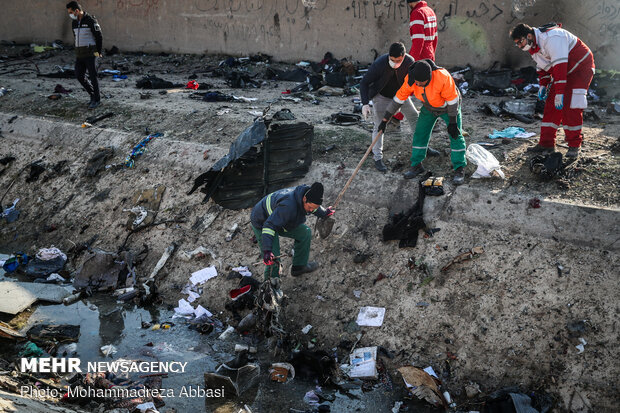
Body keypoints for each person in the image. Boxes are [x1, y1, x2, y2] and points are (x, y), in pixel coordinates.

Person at [510, 23, 595, 158]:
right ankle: (546, 143)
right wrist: (543, 85)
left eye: (520, 42)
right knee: (551, 105)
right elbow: (543, 66)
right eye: (517, 44)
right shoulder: (534, 46)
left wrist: (560, 92)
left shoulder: (553, 38)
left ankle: (574, 145)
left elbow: (560, 66)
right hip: (565, 71)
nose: (520, 46)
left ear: (529, 35)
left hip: (580, 68)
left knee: (571, 106)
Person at [379, 59, 466, 184]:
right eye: (417, 82)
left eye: (422, 83)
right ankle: (417, 165)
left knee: (455, 135)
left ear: (430, 78)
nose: (418, 85)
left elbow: (453, 100)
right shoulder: (411, 79)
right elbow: (399, 98)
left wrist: (452, 122)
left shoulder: (442, 77)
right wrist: (385, 119)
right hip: (429, 108)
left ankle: (459, 168)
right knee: (420, 133)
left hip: (449, 108)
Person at [360, 43, 440, 172]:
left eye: (398, 60)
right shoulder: (380, 64)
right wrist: (365, 103)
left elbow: (416, 83)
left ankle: (423, 147)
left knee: (414, 117)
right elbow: (364, 82)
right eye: (392, 60)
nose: (394, 63)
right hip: (382, 96)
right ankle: (377, 158)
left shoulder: (409, 62)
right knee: (380, 126)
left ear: (403, 56)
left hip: (401, 95)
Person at [250, 183, 334, 285]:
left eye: (314, 208)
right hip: (263, 222)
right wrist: (267, 250)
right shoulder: (288, 206)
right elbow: (269, 226)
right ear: (304, 199)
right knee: (274, 258)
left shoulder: (308, 196)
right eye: (310, 207)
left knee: (305, 233)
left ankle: (299, 267)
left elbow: (315, 207)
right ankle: (271, 285)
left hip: (281, 220)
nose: (311, 210)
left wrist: (324, 213)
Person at [66, 1, 103, 109]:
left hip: (91, 54)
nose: (70, 14)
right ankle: (92, 95)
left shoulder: (90, 20)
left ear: (77, 10)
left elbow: (99, 36)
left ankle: (97, 100)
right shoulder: (74, 22)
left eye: (71, 12)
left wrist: (98, 53)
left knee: (93, 76)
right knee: (79, 75)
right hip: (80, 55)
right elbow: (76, 37)